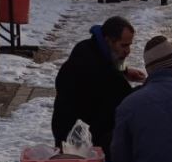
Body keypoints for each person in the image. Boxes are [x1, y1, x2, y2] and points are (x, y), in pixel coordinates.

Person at [51, 15, 142, 153]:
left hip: (72, 131)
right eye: (124, 45)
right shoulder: (95, 68)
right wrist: (153, 85)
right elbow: (127, 100)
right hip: (78, 142)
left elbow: (111, 61)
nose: (128, 51)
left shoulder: (87, 46)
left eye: (129, 45)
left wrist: (125, 71)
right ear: (108, 41)